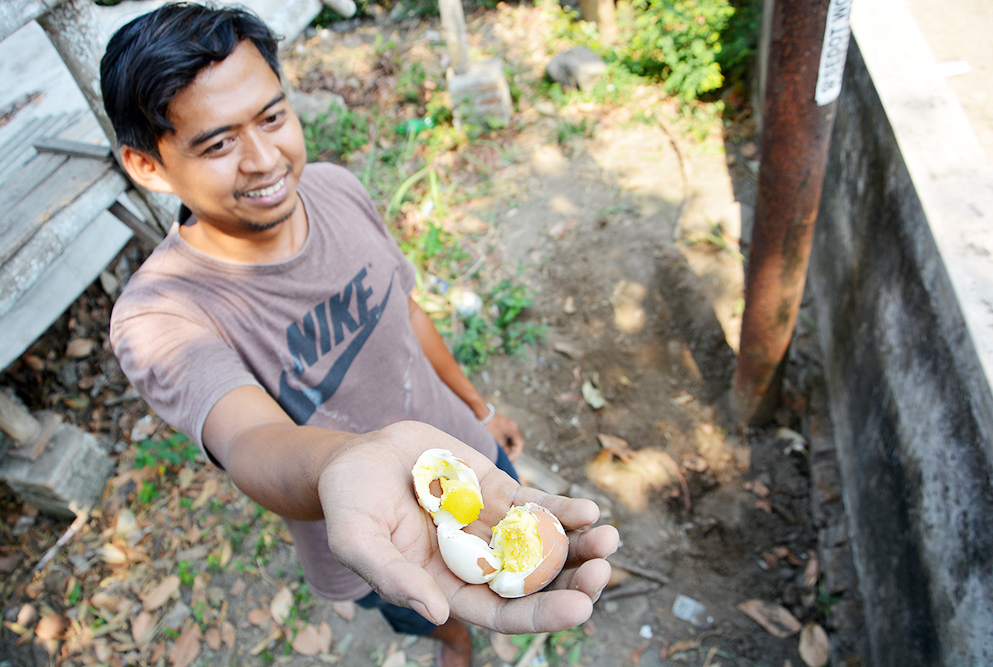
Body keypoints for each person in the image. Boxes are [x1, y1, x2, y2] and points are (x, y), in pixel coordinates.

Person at [100, 3, 618, 666]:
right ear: (148, 166)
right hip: (378, 526)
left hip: (473, 461)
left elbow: (406, 313)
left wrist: (479, 408)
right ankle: (453, 645)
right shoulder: (161, 315)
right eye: (219, 143)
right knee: (428, 607)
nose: (264, 159)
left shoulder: (336, 189)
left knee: (523, 564)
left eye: (273, 117)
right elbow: (249, 438)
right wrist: (349, 463)